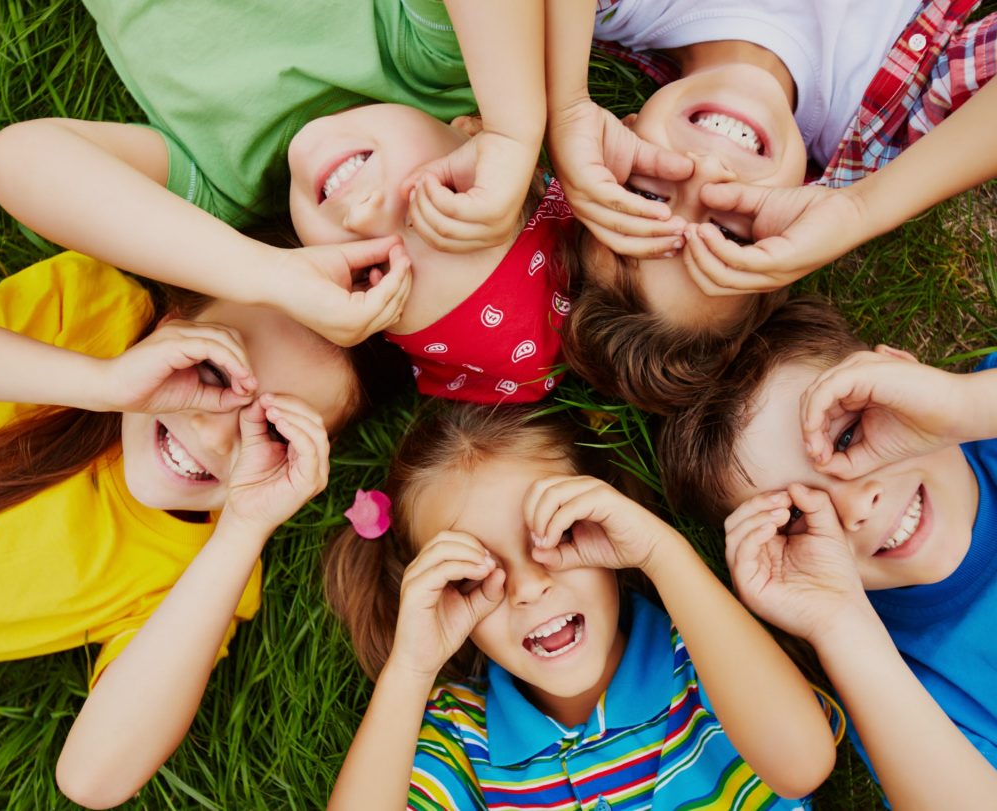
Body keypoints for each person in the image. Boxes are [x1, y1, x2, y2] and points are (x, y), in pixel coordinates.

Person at [0, 0, 588, 403]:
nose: (366, 212)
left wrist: (265, 273)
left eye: (371, 269)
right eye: (442, 200)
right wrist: (515, 127)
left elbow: (20, 159)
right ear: (469, 133)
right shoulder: (430, 61)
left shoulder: (223, 189)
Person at [0, 251, 370, 809]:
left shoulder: (201, 572)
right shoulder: (90, 317)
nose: (214, 434)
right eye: (213, 372)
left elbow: (93, 777)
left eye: (274, 432)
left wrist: (244, 528)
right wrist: (105, 382)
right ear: (171, 325)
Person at [321, 403, 837, 809]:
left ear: (608, 520)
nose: (528, 587)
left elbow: (804, 765)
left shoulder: (708, 657)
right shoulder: (463, 738)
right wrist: (410, 667)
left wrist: (660, 552)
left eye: (557, 534)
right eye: (473, 574)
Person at [546, 0, 997, 414]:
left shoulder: (620, 11)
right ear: (790, 228)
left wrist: (566, 103)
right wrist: (860, 208)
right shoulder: (889, 128)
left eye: (646, 198)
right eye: (727, 233)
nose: (706, 174)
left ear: (618, 138)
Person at [655, 297, 997, 808]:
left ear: (902, 377)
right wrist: (840, 625)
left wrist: (961, 406)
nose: (856, 505)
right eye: (797, 514)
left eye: (849, 437)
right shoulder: (896, 681)